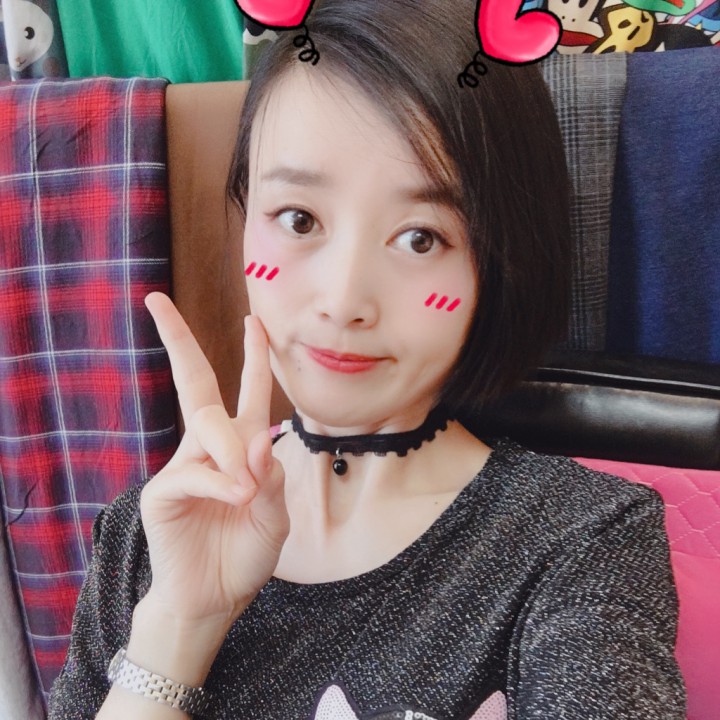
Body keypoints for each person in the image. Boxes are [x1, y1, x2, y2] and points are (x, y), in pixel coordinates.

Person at [47, 0, 687, 718]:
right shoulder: (149, 532)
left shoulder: (581, 541)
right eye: (299, 219)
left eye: (421, 238)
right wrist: (178, 626)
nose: (344, 300)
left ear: (502, 258)